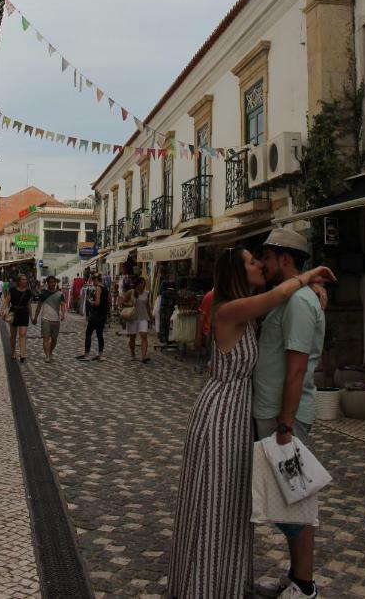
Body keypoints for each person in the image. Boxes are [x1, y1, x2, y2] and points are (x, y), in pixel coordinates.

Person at [167, 247, 335, 599]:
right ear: (236, 273)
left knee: (232, 502)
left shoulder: (248, 308)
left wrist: (307, 289)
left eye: (261, 258)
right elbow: (279, 294)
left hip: (236, 412)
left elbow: (283, 300)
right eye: (251, 261)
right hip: (221, 413)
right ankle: (205, 585)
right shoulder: (230, 309)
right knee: (215, 500)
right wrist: (310, 276)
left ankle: (230, 580)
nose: (259, 263)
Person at [254, 230, 327, 599]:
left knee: (296, 499)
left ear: (284, 259)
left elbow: (297, 367)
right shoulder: (290, 296)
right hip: (274, 413)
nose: (263, 264)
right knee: (287, 499)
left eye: (266, 257)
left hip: (285, 419)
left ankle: (305, 584)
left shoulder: (299, 301)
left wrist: (285, 423)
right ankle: (296, 575)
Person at [0, 273, 35, 363]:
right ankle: (12, 352)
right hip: (13, 312)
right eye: (23, 279)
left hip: (24, 313)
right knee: (13, 335)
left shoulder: (28, 291)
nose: (24, 281)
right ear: (19, 281)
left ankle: (22, 354)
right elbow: (7, 301)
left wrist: (31, 316)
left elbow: (28, 305)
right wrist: (2, 310)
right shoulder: (12, 290)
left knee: (23, 334)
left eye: (25, 279)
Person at [32, 275, 66, 362]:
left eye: (53, 282)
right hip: (45, 319)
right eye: (50, 282)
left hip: (56, 320)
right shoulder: (43, 294)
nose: (52, 284)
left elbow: (62, 305)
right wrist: (35, 317)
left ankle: (50, 352)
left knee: (54, 339)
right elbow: (39, 306)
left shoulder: (60, 294)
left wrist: (63, 314)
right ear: (47, 283)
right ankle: (47, 355)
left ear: (55, 283)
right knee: (46, 338)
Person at [76, 274, 109, 361]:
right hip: (103, 314)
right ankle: (100, 354)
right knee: (99, 335)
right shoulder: (105, 288)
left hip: (96, 314)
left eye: (93, 281)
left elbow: (97, 303)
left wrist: (90, 301)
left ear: (96, 280)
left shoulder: (98, 288)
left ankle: (87, 354)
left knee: (88, 333)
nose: (93, 283)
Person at [121, 276, 153, 363]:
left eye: (144, 283)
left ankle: (143, 356)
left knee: (144, 336)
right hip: (133, 317)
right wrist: (129, 305)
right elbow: (122, 302)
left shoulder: (146, 293)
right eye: (141, 283)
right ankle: (132, 353)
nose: (142, 285)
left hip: (143, 317)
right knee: (132, 337)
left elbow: (148, 306)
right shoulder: (131, 292)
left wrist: (150, 317)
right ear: (137, 284)